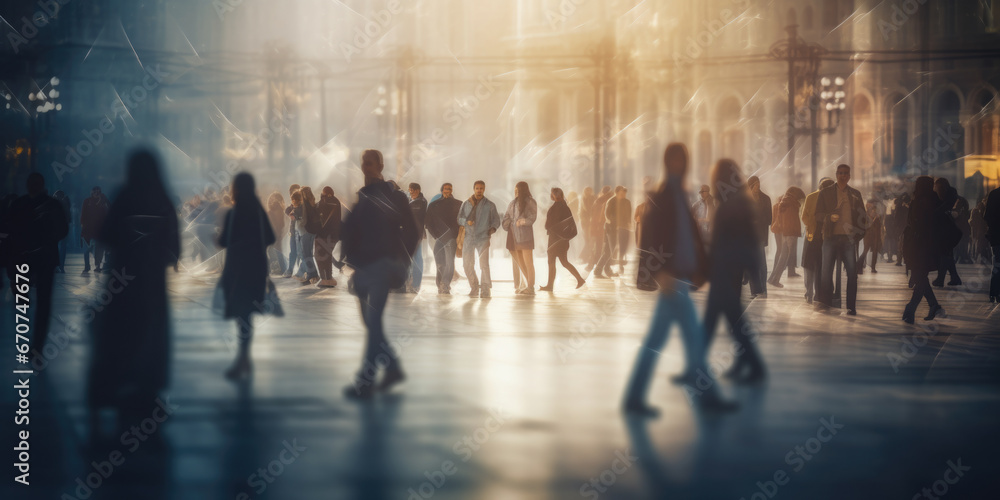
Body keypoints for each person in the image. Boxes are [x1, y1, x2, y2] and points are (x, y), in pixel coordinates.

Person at [623, 143, 736, 417]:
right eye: (674, 159)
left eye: (681, 159)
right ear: (667, 162)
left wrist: (697, 267)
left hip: (679, 276)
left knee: (669, 340)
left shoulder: (678, 194)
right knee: (689, 340)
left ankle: (635, 397)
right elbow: (651, 236)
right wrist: (659, 272)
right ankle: (706, 397)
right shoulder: (664, 196)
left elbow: (688, 236)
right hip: (672, 279)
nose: (678, 164)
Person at [86, 149, 180, 430]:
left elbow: (106, 235)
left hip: (123, 280)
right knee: (151, 337)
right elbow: (173, 249)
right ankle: (146, 391)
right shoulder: (163, 199)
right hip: (151, 283)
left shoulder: (125, 197)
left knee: (121, 335)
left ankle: (115, 387)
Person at [340, 149, 419, 399]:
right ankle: (392, 367)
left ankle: (366, 380)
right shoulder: (363, 196)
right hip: (366, 266)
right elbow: (351, 229)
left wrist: (399, 258)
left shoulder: (392, 195)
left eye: (371, 163)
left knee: (373, 321)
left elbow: (412, 230)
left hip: (382, 265)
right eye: (364, 163)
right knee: (370, 322)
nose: (366, 167)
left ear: (381, 165)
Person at [701, 159, 766, 383]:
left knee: (725, 321)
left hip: (725, 269)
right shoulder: (738, 201)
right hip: (729, 267)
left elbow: (726, 239)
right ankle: (749, 364)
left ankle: (754, 366)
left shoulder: (730, 205)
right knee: (729, 321)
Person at [6, 173, 69, 355]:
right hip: (45, 258)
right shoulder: (52, 205)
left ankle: (26, 340)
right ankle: (37, 345)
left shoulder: (18, 205)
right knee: (43, 303)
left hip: (23, 257)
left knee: (22, 301)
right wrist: (47, 241)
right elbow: (63, 230)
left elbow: (10, 229)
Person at [815, 164, 866, 315]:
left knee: (852, 273)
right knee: (826, 273)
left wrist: (857, 236)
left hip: (848, 240)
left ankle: (851, 306)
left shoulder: (855, 194)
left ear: (849, 176)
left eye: (846, 173)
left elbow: (863, 217)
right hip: (830, 238)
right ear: (836, 174)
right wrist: (829, 217)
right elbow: (817, 215)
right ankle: (825, 303)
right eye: (840, 173)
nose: (843, 175)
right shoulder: (825, 192)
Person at [902, 176, 946, 323]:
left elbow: (914, 224)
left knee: (919, 276)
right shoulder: (934, 201)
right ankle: (933, 305)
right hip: (929, 247)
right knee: (921, 277)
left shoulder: (921, 202)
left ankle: (911, 309)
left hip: (919, 247)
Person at [458, 180, 501, 298]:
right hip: (468, 237)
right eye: (477, 188)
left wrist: (491, 230)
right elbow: (459, 218)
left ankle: (486, 289)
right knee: (467, 264)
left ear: (484, 189)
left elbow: (496, 221)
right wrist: (467, 222)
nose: (479, 190)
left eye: (481, 188)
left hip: (483, 237)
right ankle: (474, 286)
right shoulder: (466, 203)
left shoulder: (490, 205)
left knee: (484, 265)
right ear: (474, 189)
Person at [540, 187, 585, 291]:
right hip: (562, 240)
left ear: (554, 195)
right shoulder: (565, 206)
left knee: (551, 262)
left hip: (554, 240)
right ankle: (579, 279)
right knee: (564, 262)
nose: (551, 195)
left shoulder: (556, 207)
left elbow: (550, 224)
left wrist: (548, 226)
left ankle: (550, 285)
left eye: (552, 194)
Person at [801, 178, 835, 303]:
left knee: (808, 265)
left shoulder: (811, 197)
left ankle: (809, 292)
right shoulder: (831, 199)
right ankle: (818, 294)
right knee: (821, 266)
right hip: (824, 236)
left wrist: (810, 225)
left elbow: (804, 216)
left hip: (811, 235)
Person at [425, 183, 462, 294]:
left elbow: (461, 222)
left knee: (450, 262)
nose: (447, 191)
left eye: (450, 189)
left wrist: (455, 235)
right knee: (440, 263)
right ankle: (440, 284)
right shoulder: (433, 205)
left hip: (451, 239)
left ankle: (445, 285)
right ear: (442, 190)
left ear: (452, 191)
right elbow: (428, 222)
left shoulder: (458, 204)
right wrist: (436, 235)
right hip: (439, 239)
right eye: (446, 189)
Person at [503, 181, 538, 295]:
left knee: (528, 261)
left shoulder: (530, 202)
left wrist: (523, 221)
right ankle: (529, 285)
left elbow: (533, 217)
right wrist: (508, 223)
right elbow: (506, 217)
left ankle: (531, 287)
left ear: (523, 190)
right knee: (519, 260)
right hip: (513, 236)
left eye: (517, 190)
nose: (516, 192)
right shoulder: (512, 203)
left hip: (525, 235)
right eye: (515, 190)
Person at [767, 186, 805, 288]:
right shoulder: (790, 203)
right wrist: (791, 233)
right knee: (784, 257)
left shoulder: (786, 202)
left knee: (783, 257)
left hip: (787, 233)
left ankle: (772, 279)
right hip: (790, 233)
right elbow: (790, 220)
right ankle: (774, 279)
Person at [932, 179, 961, 287]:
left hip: (947, 230)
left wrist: (934, 213)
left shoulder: (950, 193)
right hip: (942, 229)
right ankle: (954, 277)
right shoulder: (940, 195)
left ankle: (941, 278)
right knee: (947, 255)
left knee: (945, 254)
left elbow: (946, 207)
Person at [747, 176, 772, 298]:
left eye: (758, 184)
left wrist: (758, 220)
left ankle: (763, 289)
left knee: (762, 263)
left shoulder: (766, 199)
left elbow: (769, 219)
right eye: (755, 184)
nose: (758, 186)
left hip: (760, 236)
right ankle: (754, 291)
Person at [314, 186, 342, 288]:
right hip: (332, 234)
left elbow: (318, 208)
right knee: (326, 256)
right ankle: (328, 278)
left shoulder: (328, 201)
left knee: (320, 256)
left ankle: (326, 279)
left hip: (325, 235)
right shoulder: (335, 201)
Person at [81, 186, 109, 274]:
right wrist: (83, 226)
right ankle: (87, 266)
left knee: (98, 249)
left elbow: (109, 211)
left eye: (98, 191)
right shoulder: (87, 201)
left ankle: (98, 266)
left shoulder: (103, 201)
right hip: (88, 229)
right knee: (86, 249)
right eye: (95, 191)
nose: (96, 193)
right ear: (91, 192)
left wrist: (104, 201)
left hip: (99, 229)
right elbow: (83, 214)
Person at [586, 186, 614, 274]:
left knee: (599, 247)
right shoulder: (605, 201)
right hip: (601, 227)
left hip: (596, 227)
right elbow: (601, 216)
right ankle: (598, 269)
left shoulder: (599, 200)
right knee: (603, 248)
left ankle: (594, 266)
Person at [407, 183, 428, 293]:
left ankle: (416, 285)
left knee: (417, 259)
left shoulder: (421, 202)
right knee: (410, 260)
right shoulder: (409, 200)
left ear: (418, 190)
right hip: (408, 234)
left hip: (416, 234)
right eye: (410, 190)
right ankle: (410, 283)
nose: (412, 192)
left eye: (414, 190)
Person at [297, 186, 320, 284]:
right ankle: (313, 274)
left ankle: (312, 274)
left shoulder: (303, 204)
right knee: (309, 253)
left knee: (305, 254)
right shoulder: (313, 202)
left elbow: (302, 217)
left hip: (305, 231)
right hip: (312, 231)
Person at [857, 200, 883, 274]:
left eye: (869, 205)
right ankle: (859, 266)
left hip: (875, 235)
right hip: (868, 234)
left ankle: (872, 268)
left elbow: (879, 225)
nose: (868, 206)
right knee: (866, 250)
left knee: (874, 251)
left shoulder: (876, 214)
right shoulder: (865, 213)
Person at [984, 187, 1000, 303]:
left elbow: (987, 216)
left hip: (996, 236)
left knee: (997, 265)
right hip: (996, 236)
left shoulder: (994, 194)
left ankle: (994, 292)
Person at [282, 184, 302, 278]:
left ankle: (301, 271)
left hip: (300, 231)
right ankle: (290, 270)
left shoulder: (302, 204)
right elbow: (287, 210)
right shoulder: (292, 206)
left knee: (300, 252)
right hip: (294, 231)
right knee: (293, 251)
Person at [265, 192, 287, 275]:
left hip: (271, 235)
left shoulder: (270, 212)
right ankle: (283, 269)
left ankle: (268, 269)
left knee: (267, 252)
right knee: (279, 252)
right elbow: (283, 224)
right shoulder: (282, 211)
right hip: (279, 234)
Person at [52, 190, 70, 273]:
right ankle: (60, 266)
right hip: (62, 228)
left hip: (56, 229)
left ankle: (58, 266)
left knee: (57, 248)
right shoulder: (65, 203)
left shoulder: (53, 204)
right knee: (62, 248)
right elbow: (68, 217)